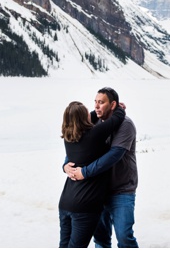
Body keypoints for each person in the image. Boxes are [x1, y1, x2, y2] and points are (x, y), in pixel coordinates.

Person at [64, 87, 139, 248]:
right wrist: (66, 165)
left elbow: (114, 155)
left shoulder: (125, 125)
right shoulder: (92, 122)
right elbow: (78, 146)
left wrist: (84, 172)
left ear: (112, 105)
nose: (96, 106)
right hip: (96, 192)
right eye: (95, 102)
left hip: (121, 189)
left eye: (101, 102)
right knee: (101, 239)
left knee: (125, 237)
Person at [58, 101, 126, 248]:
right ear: (84, 117)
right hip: (85, 205)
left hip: (65, 203)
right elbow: (117, 118)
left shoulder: (68, 138)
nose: (92, 112)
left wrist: (64, 167)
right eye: (87, 112)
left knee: (64, 247)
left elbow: (88, 117)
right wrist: (117, 108)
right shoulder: (95, 134)